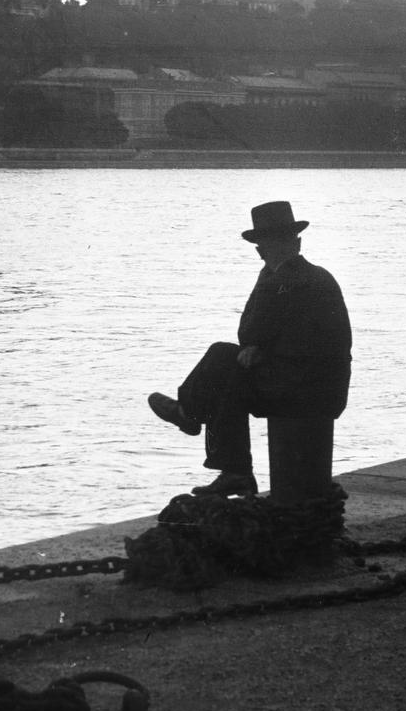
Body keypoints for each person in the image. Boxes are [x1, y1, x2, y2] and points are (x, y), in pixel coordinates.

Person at [149, 201, 352, 497]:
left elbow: (249, 330)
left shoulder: (282, 278)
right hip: (319, 387)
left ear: (260, 249)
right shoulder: (317, 276)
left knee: (224, 360)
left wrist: (257, 346)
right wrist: (258, 348)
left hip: (303, 389)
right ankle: (226, 460)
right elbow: (264, 334)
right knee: (230, 370)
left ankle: (196, 422)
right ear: (298, 241)